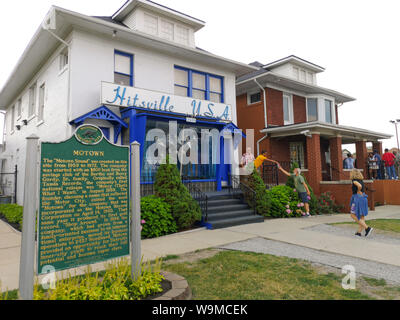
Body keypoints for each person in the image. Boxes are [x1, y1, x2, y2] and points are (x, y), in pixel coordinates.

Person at [349, 169, 373, 237]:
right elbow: (360, 185)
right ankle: (359, 232)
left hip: (357, 199)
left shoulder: (354, 181)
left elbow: (359, 186)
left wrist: (358, 190)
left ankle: (367, 228)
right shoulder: (361, 181)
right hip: (363, 198)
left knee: (352, 215)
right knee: (362, 216)